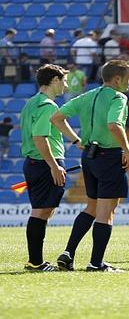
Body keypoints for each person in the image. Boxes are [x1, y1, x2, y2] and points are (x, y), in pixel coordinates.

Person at [52, 60, 129, 272]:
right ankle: (96, 264)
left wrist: (76, 141)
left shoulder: (88, 95)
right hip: (110, 156)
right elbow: (114, 125)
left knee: (92, 206)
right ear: (117, 79)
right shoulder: (118, 97)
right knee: (106, 212)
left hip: (89, 156)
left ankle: (68, 253)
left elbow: (57, 118)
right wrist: (127, 148)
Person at [20, 64, 80, 271]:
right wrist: (54, 166)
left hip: (35, 163)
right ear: (54, 80)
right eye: (63, 80)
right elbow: (39, 137)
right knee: (42, 211)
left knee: (43, 210)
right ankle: (36, 262)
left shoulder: (32, 103)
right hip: (46, 163)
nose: (65, 85)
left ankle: (35, 261)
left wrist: (76, 140)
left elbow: (58, 124)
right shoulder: (48, 106)